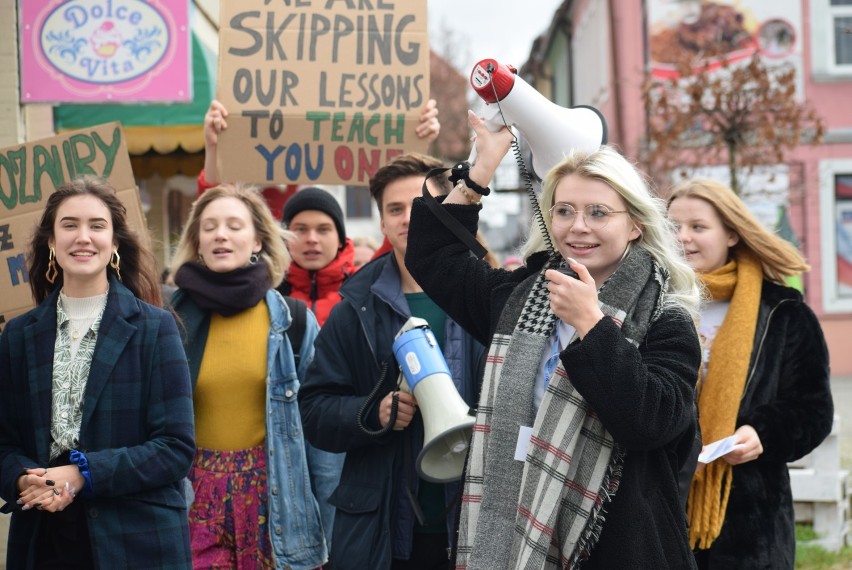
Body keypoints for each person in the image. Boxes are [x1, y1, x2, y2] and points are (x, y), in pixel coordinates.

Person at [405, 112, 703, 569]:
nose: (577, 227)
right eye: (564, 211)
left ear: (636, 225)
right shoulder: (521, 298)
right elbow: (433, 258)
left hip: (619, 547)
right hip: (512, 532)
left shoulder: (667, 319)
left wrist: (592, 326)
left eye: (598, 213)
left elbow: (651, 423)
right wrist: (478, 173)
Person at [298, 153, 487, 570]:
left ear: (448, 206)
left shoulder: (487, 293)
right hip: (384, 533)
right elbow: (313, 410)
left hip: (477, 520)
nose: (408, 218)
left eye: (420, 204)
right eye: (394, 209)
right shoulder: (356, 307)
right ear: (381, 223)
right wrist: (372, 412)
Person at [0, 177, 195, 569]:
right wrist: (25, 480)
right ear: (52, 242)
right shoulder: (19, 335)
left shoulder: (155, 328)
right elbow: (3, 443)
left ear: (115, 243)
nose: (83, 237)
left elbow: (175, 448)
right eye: (69, 225)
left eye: (97, 225)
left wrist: (82, 474)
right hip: (44, 541)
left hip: (136, 540)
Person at [667, 179, 834, 569]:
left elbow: (813, 409)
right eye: (673, 225)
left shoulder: (783, 313)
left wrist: (763, 433)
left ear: (731, 234)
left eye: (697, 227)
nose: (682, 238)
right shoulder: (652, 304)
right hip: (658, 507)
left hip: (750, 520)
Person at [169, 184, 327, 569]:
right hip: (191, 498)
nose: (220, 234)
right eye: (209, 227)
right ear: (197, 242)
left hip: (275, 497)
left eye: (234, 225)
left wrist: (328, 526)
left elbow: (319, 438)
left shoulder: (295, 321)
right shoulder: (166, 321)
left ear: (257, 239)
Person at [279, 186, 356, 325]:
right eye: (301, 230)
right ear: (286, 239)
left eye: (323, 230)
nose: (312, 239)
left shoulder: (365, 288)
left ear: (340, 240)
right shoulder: (267, 291)